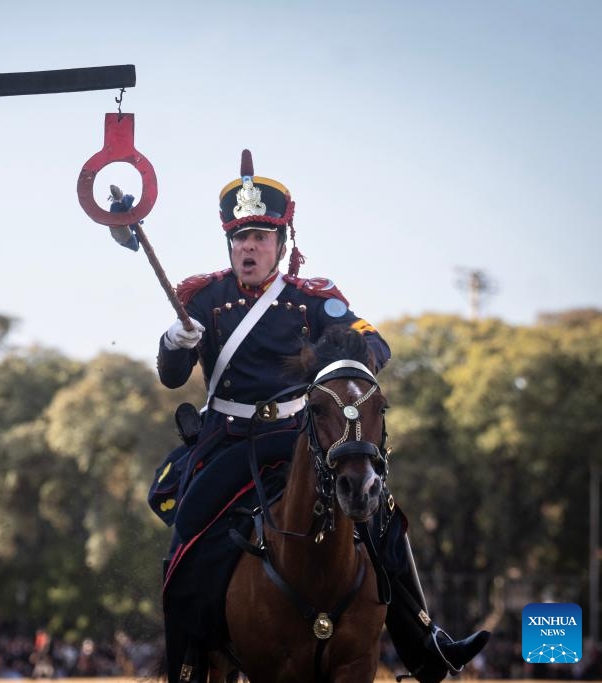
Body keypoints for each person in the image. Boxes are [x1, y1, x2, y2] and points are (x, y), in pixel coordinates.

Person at [140, 150, 490, 683]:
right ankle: (186, 665)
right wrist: (175, 340)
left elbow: (374, 344)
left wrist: (342, 362)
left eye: (260, 237)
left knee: (384, 518)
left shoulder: (312, 299)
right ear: (229, 244)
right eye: (240, 238)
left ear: (282, 244)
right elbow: (170, 376)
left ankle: (426, 645)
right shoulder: (202, 298)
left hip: (300, 436)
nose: (248, 247)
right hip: (228, 442)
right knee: (188, 538)